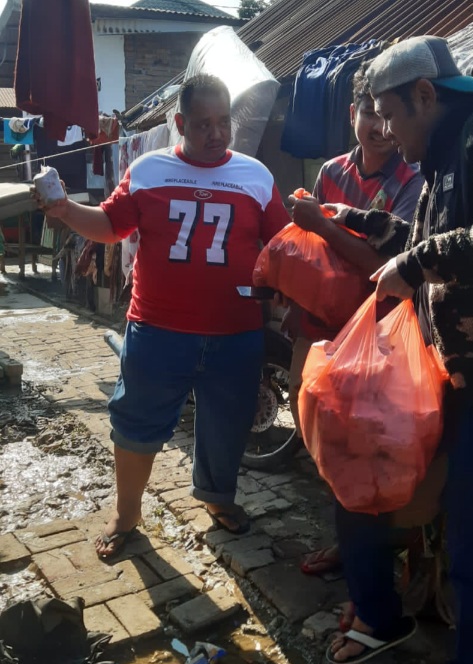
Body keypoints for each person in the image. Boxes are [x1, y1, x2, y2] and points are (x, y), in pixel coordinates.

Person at [40, 74, 290, 557]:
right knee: (135, 422)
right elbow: (110, 226)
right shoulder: (149, 169)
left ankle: (218, 498)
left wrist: (285, 282)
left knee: (228, 425)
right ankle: (126, 513)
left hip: (235, 333)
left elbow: (282, 244)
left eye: (223, 123)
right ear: (179, 123)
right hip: (157, 330)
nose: (216, 134)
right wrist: (66, 209)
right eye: (203, 124)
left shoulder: (256, 176)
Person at [320, 36, 473, 664]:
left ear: (426, 96)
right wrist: (359, 220)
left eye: (391, 114)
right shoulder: (439, 161)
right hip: (452, 381)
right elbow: (427, 241)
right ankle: (383, 614)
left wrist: (416, 261)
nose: (388, 132)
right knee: (373, 487)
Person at [287, 64, 423, 575]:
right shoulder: (331, 173)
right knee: (316, 428)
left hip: (380, 335)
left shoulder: (413, 179)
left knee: (369, 443)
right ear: (352, 115)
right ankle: (353, 541)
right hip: (322, 326)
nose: (380, 128)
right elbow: (309, 252)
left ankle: (370, 551)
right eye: (369, 113)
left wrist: (324, 225)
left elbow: (386, 267)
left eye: (386, 116)